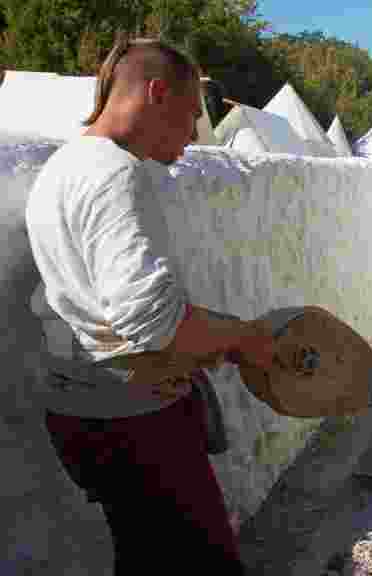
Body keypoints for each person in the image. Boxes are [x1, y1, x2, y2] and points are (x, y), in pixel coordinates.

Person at [24, 37, 275, 574]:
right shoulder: (113, 172)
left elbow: (99, 305)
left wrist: (204, 343)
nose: (194, 133)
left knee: (141, 555)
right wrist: (243, 337)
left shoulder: (66, 164)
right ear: (156, 93)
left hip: (83, 410)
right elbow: (151, 319)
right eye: (191, 115)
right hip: (133, 422)